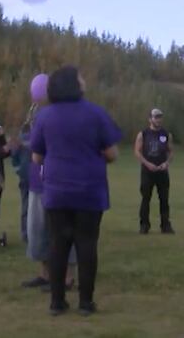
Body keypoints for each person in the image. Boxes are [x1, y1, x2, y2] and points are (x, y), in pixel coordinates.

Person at [31, 66, 122, 316]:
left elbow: (37, 156)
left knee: (58, 244)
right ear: (74, 84)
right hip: (89, 191)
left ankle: (57, 303)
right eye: (81, 77)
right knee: (87, 244)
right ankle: (85, 303)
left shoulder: (45, 116)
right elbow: (112, 153)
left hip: (57, 191)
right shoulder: (95, 113)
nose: (84, 80)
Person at [22, 111, 77, 293]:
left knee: (63, 230)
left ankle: (68, 278)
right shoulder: (37, 126)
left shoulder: (67, 126)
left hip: (60, 183)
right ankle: (45, 274)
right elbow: (31, 150)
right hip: (37, 183)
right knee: (38, 230)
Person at [134, 108, 174, 234]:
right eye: (156, 117)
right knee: (146, 198)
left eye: (160, 117)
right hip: (147, 172)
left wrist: (166, 163)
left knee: (164, 199)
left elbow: (171, 151)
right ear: (150, 119)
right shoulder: (143, 134)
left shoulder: (166, 134)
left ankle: (165, 225)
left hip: (162, 172)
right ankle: (144, 225)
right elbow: (137, 151)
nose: (158, 119)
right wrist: (147, 164)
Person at [11, 125, 31, 243]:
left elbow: (14, 158)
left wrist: (18, 170)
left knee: (25, 204)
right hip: (38, 175)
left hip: (24, 175)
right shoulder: (37, 137)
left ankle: (25, 233)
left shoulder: (19, 141)